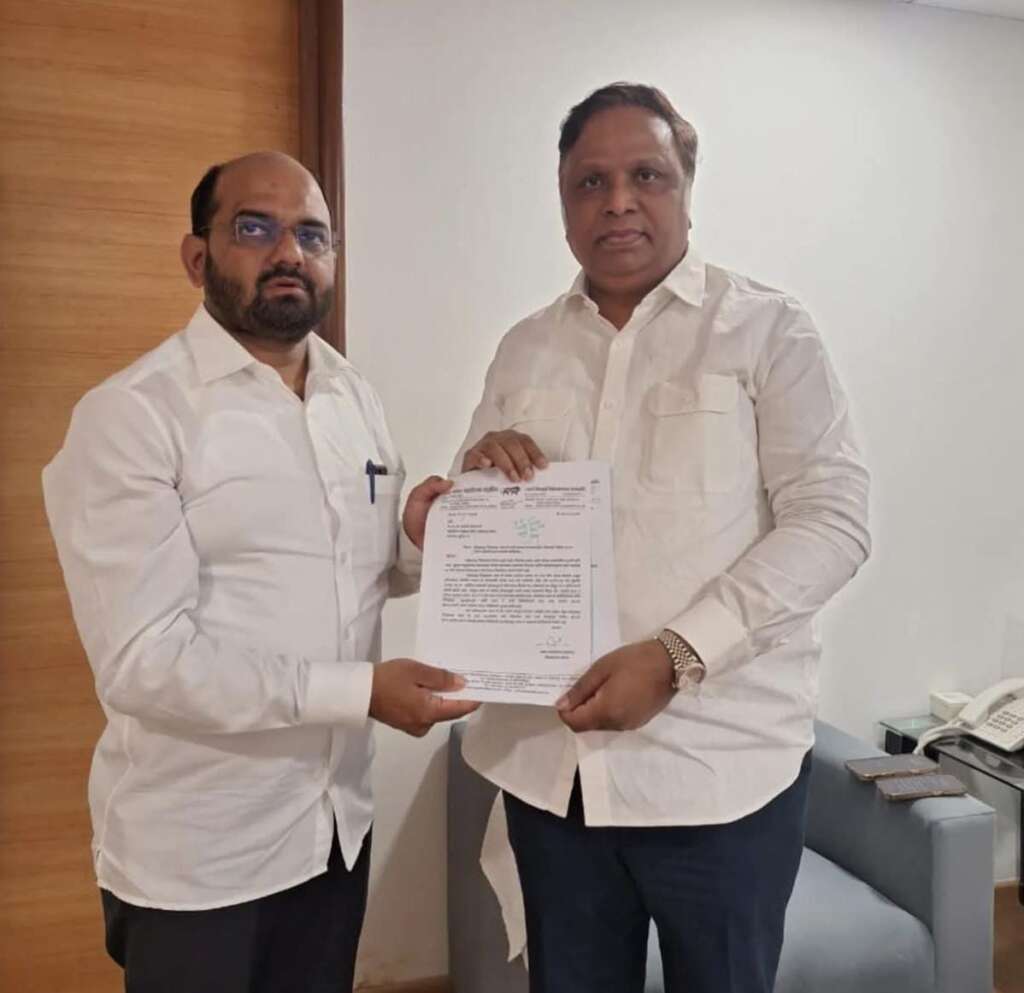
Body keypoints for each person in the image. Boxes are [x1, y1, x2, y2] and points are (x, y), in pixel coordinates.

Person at [453, 84, 871, 993]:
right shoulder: (525, 347)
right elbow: (475, 516)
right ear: (562, 199)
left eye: (646, 175)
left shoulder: (767, 329)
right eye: (590, 182)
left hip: (717, 776)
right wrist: (473, 482)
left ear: (686, 185)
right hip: (552, 777)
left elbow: (833, 518)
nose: (617, 202)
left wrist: (678, 653)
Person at [42, 151, 476, 993]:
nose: (289, 253)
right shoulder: (132, 416)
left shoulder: (352, 397)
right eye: (255, 228)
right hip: (201, 854)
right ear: (197, 256)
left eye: (313, 234)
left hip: (335, 831)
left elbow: (366, 570)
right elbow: (144, 661)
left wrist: (421, 537)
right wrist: (362, 691)